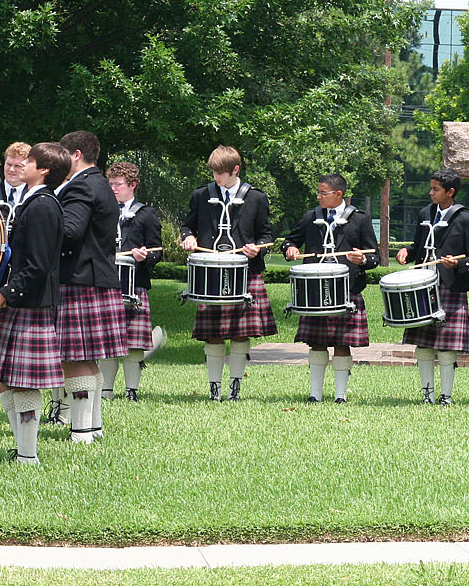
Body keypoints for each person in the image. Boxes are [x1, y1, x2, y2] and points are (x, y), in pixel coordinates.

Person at [0, 142, 71, 463]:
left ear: (43, 170)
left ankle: (28, 455)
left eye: (28, 161)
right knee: (4, 379)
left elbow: (37, 266)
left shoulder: (42, 206)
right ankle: (21, 447)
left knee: (23, 385)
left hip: (32, 304)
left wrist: (2, 296)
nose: (19, 165)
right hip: (23, 303)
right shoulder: (36, 201)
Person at [182, 147, 275, 401]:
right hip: (211, 273)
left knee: (239, 333)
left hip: (245, 272)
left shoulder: (256, 198)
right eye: (213, 172)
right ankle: (214, 389)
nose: (216, 177)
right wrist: (188, 237)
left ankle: (235, 389)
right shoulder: (202, 195)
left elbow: (267, 235)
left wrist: (257, 249)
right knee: (212, 334)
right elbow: (187, 225)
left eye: (221, 172)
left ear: (236, 170)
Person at [50, 131, 122, 442]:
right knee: (87, 358)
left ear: (76, 154)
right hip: (96, 277)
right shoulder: (99, 183)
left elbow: (70, 231)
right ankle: (93, 426)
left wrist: (38, 224)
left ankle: (80, 431)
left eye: (63, 154)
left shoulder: (81, 186)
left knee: (74, 357)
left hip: (80, 278)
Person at [284, 173, 376, 403]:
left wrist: (362, 260)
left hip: (347, 289)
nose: (319, 197)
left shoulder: (359, 219)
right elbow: (289, 240)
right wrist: (291, 249)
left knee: (342, 342)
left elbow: (373, 255)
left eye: (323, 193)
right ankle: (315, 394)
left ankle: (340, 395)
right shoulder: (311, 217)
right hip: (314, 290)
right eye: (318, 192)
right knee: (317, 342)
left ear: (338, 194)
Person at [399, 169, 469, 405]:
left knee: (446, 347)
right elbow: (418, 246)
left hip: (451, 287)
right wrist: (407, 251)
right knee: (423, 343)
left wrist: (458, 263)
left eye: (436, 189)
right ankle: (428, 395)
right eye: (431, 187)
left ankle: (446, 395)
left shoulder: (465, 218)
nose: (431, 192)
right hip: (422, 285)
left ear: (450, 191)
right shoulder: (426, 212)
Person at [104, 161, 166, 401]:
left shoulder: (146, 214)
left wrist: (144, 256)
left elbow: (157, 251)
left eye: (118, 184)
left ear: (132, 185)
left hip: (135, 284)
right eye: (111, 184)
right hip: (107, 283)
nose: (113, 188)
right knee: (107, 341)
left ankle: (132, 391)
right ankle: (106, 392)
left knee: (134, 344)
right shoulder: (103, 211)